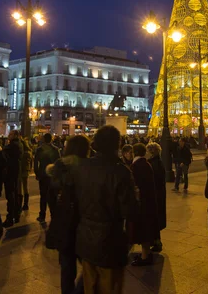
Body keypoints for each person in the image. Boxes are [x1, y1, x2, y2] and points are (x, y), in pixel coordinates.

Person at [72, 126, 138, 293]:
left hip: (85, 239)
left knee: (89, 286)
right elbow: (130, 210)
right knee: (110, 288)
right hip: (110, 242)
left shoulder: (83, 167)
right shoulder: (120, 171)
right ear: (117, 144)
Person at [47, 135, 90, 294]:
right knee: (90, 267)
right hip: (85, 223)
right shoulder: (89, 167)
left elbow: (50, 197)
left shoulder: (59, 167)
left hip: (64, 223)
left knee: (66, 269)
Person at [129, 143, 159, 266]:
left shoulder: (136, 165)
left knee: (142, 229)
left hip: (141, 203)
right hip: (148, 201)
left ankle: (145, 256)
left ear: (133, 153)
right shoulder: (146, 164)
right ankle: (145, 254)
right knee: (145, 229)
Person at [34, 133, 60, 223]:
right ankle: (54, 215)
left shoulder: (39, 150)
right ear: (51, 139)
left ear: (44, 139)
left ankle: (42, 215)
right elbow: (58, 163)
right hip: (52, 175)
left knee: (43, 196)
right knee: (53, 196)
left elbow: (35, 163)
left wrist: (37, 173)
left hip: (43, 175)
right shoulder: (56, 150)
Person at [146, 142, 166, 252]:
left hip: (155, 194)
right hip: (159, 193)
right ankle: (155, 240)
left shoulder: (153, 164)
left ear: (152, 152)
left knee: (154, 218)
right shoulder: (158, 162)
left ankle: (156, 241)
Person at [2, 130, 23, 227]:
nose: (8, 136)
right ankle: (16, 215)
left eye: (10, 134)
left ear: (15, 135)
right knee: (14, 193)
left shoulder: (12, 146)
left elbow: (3, 153)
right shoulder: (18, 144)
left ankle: (10, 217)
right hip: (16, 171)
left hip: (10, 172)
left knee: (10, 195)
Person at [19, 136, 32, 211]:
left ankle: (20, 204)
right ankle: (26, 204)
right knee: (25, 187)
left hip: (21, 170)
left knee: (19, 188)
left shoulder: (22, 153)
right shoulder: (28, 152)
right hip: (26, 170)